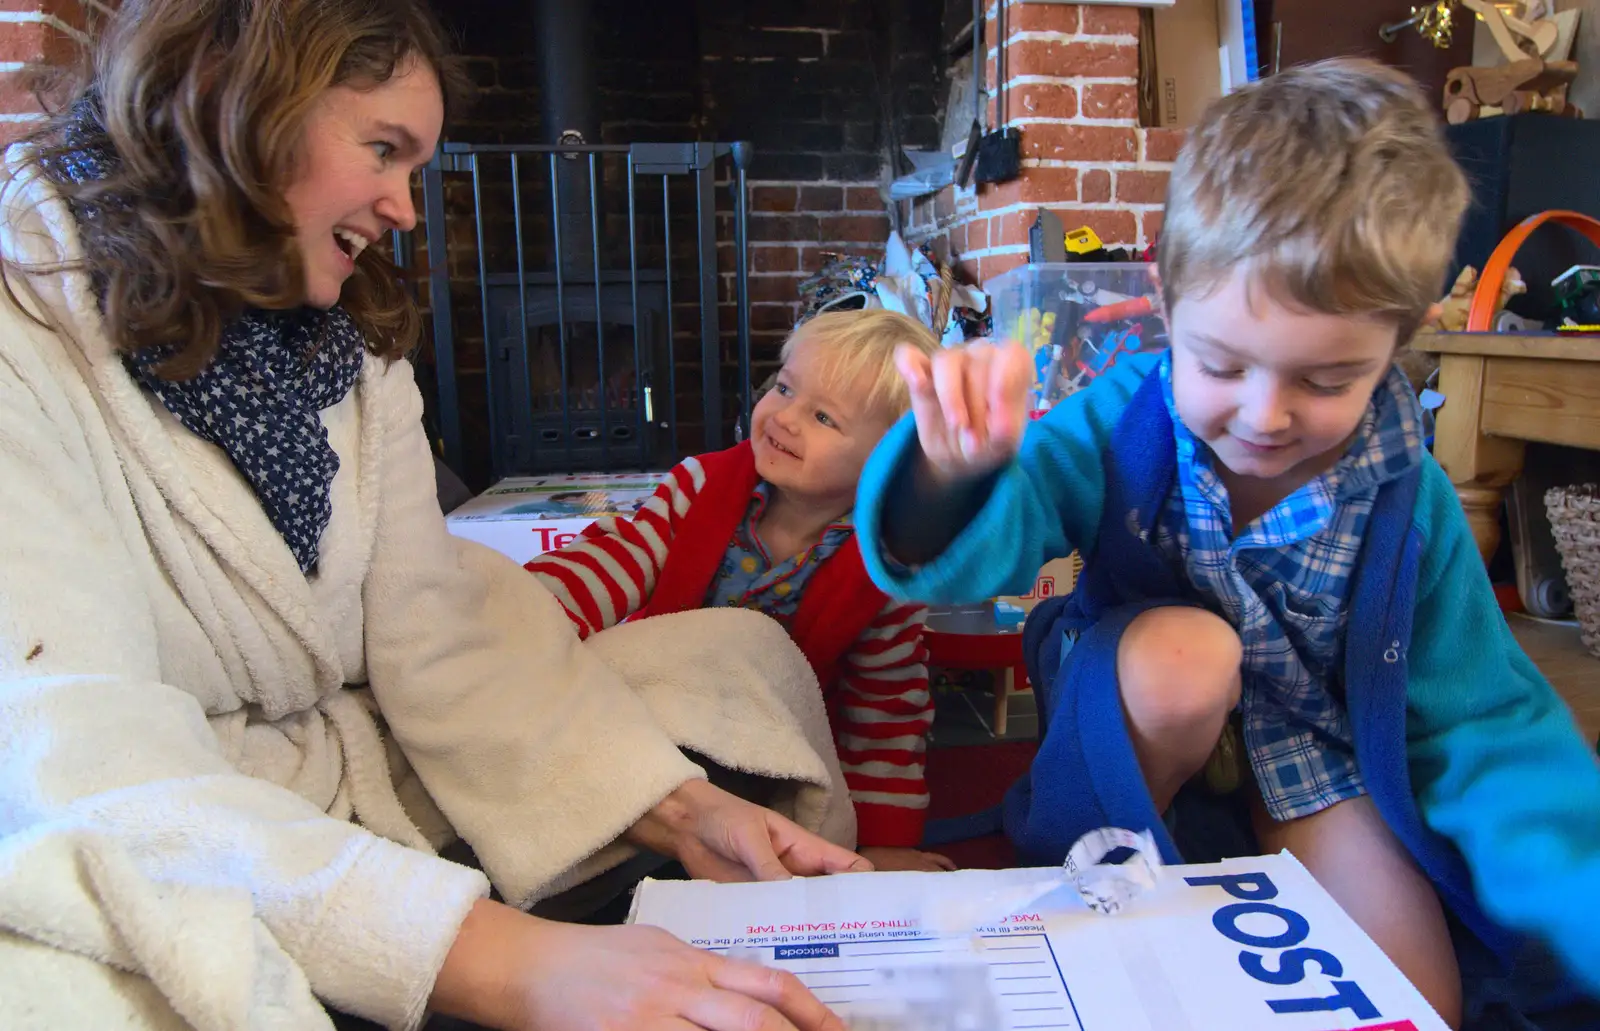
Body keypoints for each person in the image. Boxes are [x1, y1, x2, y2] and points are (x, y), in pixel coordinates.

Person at [0, 1, 873, 1029]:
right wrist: (509, 961)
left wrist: (676, 808)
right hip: (167, 815)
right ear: (241, 107)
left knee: (739, 654)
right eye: (383, 149)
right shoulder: (26, 324)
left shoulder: (348, 342)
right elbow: (76, 765)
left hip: (342, 771)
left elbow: (438, 625)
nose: (405, 208)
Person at [853, 59, 1600, 1028]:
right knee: (1182, 659)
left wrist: (1577, 904)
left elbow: (1481, 723)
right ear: (1163, 301)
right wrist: (949, 473)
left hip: (1311, 760)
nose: (1264, 414)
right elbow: (976, 552)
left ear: (1401, 339)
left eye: (1328, 379)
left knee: (1415, 1003)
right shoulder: (1120, 420)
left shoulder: (1408, 497)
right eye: (1220, 362)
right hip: (1138, 714)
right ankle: (1087, 836)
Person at [526, 309, 954, 872]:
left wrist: (887, 841)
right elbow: (613, 561)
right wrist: (525, 618)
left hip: (772, 746)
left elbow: (883, 712)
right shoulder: (700, 486)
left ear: (890, 465)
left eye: (824, 416)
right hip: (662, 711)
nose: (784, 417)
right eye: (783, 387)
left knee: (795, 830)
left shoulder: (888, 569)